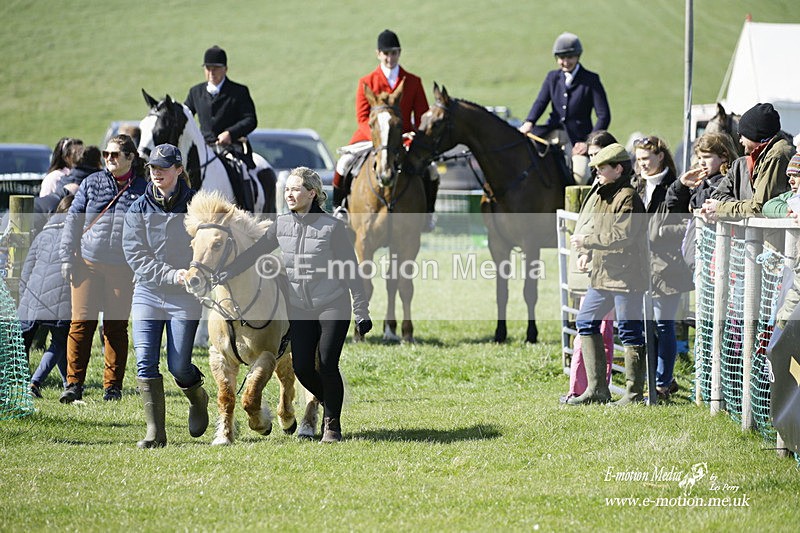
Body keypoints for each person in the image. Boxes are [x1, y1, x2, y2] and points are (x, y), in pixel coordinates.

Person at [219, 167, 372, 442]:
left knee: (327, 364)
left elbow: (351, 271)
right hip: (300, 307)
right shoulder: (281, 225)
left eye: (295, 189)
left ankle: (332, 425)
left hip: (332, 304)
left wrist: (361, 311)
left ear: (312, 193)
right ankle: (331, 403)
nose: (289, 194)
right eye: (287, 189)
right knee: (302, 368)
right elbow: (255, 253)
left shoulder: (332, 227)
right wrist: (228, 271)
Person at [123, 144, 208, 448]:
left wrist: (196, 273)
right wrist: (171, 274)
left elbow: (210, 245)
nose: (156, 173)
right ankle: (155, 433)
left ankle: (198, 399)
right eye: (153, 168)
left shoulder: (197, 206)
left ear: (179, 170)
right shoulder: (138, 208)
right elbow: (135, 254)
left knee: (179, 366)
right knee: (145, 363)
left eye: (163, 168)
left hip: (185, 297)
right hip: (147, 292)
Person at [58, 134, 147, 403]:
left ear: (130, 158)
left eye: (115, 154)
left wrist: (141, 268)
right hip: (87, 264)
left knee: (116, 328)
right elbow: (73, 219)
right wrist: (66, 256)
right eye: (106, 154)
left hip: (123, 269)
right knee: (81, 324)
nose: (109, 158)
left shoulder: (143, 189)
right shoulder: (92, 182)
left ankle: (113, 388)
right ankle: (73, 384)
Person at [568, 143, 647, 406]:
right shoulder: (603, 194)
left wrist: (587, 242)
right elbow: (601, 232)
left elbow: (623, 236)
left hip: (626, 278)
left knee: (630, 332)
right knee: (585, 322)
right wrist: (588, 253)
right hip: (602, 275)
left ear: (618, 169)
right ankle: (597, 390)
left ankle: (634, 395)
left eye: (602, 168)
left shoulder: (628, 197)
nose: (597, 172)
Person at [332, 29, 436, 224]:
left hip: (403, 138)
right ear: (378, 54)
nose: (390, 58)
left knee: (432, 170)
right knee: (343, 164)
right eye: (386, 53)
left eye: (394, 53)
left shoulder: (413, 81)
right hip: (371, 137)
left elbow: (421, 116)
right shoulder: (367, 82)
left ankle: (428, 213)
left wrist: (414, 135)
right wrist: (378, 139)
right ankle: (339, 208)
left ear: (399, 53)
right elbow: (362, 118)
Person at [632, 136, 693, 399]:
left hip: (669, 266)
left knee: (663, 323)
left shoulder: (676, 186)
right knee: (647, 325)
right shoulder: (636, 184)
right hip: (641, 266)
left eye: (646, 158)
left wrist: (658, 232)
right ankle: (661, 377)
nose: (642, 164)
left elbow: (688, 225)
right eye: (638, 159)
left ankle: (662, 382)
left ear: (660, 156)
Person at [561, 130, 618, 404]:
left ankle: (590, 388)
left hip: (605, 270)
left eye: (598, 156)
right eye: (590, 156)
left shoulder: (613, 190)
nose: (593, 163)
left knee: (598, 331)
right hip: (590, 268)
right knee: (589, 329)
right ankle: (582, 387)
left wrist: (590, 251)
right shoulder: (597, 184)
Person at [519, 32, 611, 184]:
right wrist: (529, 122)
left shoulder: (591, 79)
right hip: (551, 133)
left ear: (578, 56)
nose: (565, 62)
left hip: (578, 140)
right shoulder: (552, 77)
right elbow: (540, 102)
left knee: (581, 176)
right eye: (561, 58)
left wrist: (589, 143)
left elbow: (604, 116)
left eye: (570, 57)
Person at [19, 194, 75, 398]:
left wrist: (24, 296)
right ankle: (35, 383)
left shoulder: (43, 233)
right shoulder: (76, 238)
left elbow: (27, 269)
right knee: (59, 341)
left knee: (26, 341)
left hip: (33, 296)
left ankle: (67, 382)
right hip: (60, 297)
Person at [702, 102, 794, 221]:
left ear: (754, 134)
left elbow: (758, 208)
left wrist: (721, 208)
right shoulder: (758, 158)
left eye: (742, 135)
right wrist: (739, 206)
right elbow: (717, 196)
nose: (740, 140)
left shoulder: (778, 155)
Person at [666, 132, 743, 272]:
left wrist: (692, 200)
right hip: (696, 261)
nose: (701, 162)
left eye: (707, 157)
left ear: (724, 156)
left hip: (716, 263)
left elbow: (705, 200)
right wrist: (682, 185)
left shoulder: (728, 180)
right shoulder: (702, 181)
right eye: (699, 157)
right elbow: (674, 207)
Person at [185, 45, 257, 149]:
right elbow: (185, 116)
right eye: (208, 68)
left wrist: (230, 133)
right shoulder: (195, 92)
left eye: (216, 68)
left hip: (232, 146)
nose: (211, 73)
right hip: (204, 147)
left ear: (225, 69)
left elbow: (250, 120)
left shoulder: (239, 91)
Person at [762, 153, 800, 218]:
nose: (790, 181)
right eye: (790, 176)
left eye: (796, 175)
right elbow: (767, 206)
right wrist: (787, 209)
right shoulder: (791, 195)